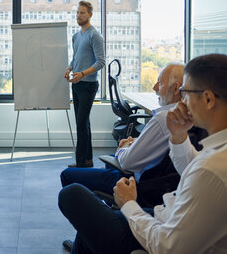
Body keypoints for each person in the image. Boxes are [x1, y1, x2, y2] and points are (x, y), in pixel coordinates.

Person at [58, 53, 227, 254]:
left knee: (71, 194)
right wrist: (178, 136)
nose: (182, 99)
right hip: (162, 215)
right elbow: (191, 168)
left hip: (159, 232)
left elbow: (167, 249)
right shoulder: (217, 151)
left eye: (186, 92)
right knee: (88, 232)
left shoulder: (213, 169)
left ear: (208, 99)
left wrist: (129, 204)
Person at [60, 63, 184, 195]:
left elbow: (127, 163)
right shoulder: (188, 116)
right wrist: (136, 142)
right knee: (110, 161)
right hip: (158, 180)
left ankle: (104, 214)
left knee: (67, 174)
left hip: (136, 183)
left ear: (176, 88)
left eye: (159, 83)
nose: (154, 87)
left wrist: (123, 148)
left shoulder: (164, 118)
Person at [64, 1, 105, 168]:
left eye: (82, 13)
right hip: (77, 84)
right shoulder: (76, 36)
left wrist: (82, 74)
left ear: (90, 15)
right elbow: (76, 58)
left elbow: (101, 62)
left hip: (88, 85)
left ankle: (81, 163)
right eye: (78, 13)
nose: (79, 16)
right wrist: (69, 68)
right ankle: (88, 160)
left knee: (81, 124)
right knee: (83, 122)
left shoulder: (94, 35)